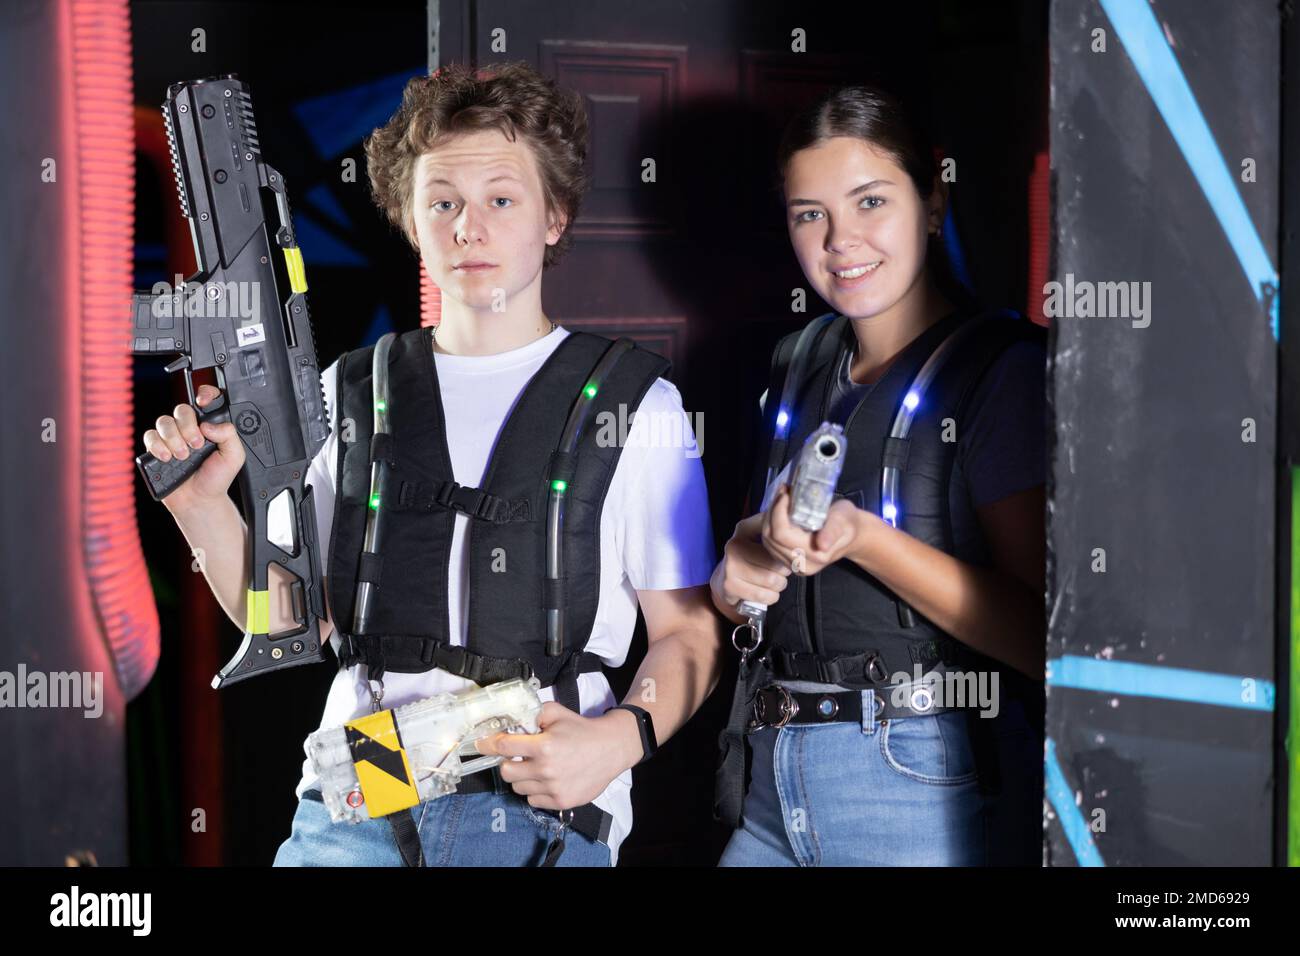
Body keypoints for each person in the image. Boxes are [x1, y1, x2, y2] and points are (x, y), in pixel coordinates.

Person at [143, 61, 720, 867]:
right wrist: (203, 507)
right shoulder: (352, 390)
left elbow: (688, 631)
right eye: (442, 201)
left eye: (501, 200)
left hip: (539, 807)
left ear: (555, 217)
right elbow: (296, 622)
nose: (467, 227)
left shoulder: (636, 403)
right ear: (410, 219)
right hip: (358, 802)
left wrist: (620, 738)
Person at [710, 84, 1046, 866]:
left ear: (933, 199)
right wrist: (744, 558)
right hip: (772, 774)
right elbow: (742, 602)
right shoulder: (798, 363)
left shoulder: (1000, 373)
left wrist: (863, 539)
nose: (839, 239)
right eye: (810, 213)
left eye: (870, 202)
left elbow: (1043, 638)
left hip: (915, 775)